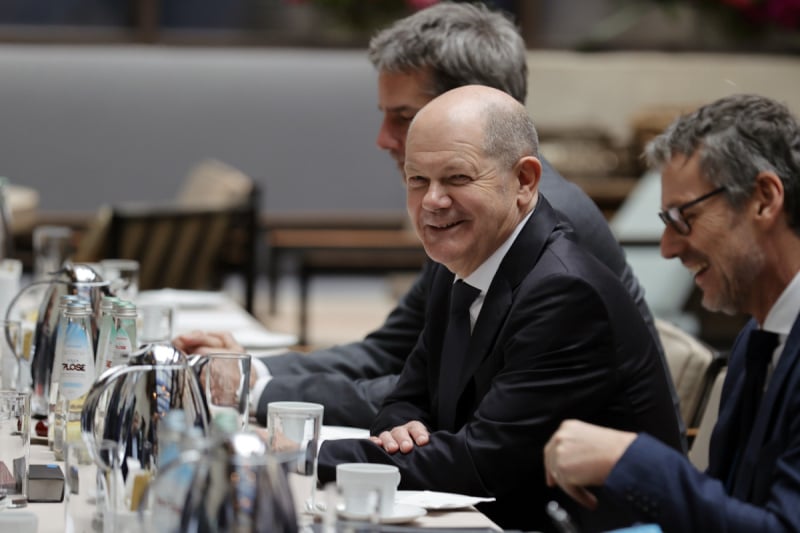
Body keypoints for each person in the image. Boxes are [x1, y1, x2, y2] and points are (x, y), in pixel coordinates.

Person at [175, 1, 684, 437]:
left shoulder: (534, 224)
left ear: (469, 106)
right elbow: (392, 355)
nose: (382, 137)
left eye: (404, 115)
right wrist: (253, 371)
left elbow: (458, 405)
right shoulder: (470, 213)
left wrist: (256, 390)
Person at [315, 84, 682, 532]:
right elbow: (409, 395)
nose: (432, 201)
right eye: (417, 180)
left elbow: (480, 461)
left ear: (524, 182)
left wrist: (301, 457)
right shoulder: (462, 260)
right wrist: (401, 425)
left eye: (457, 178)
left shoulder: (564, 292)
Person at [543, 93, 800, 531]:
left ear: (763, 199)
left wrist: (633, 460)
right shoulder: (754, 340)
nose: (667, 248)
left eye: (684, 218)